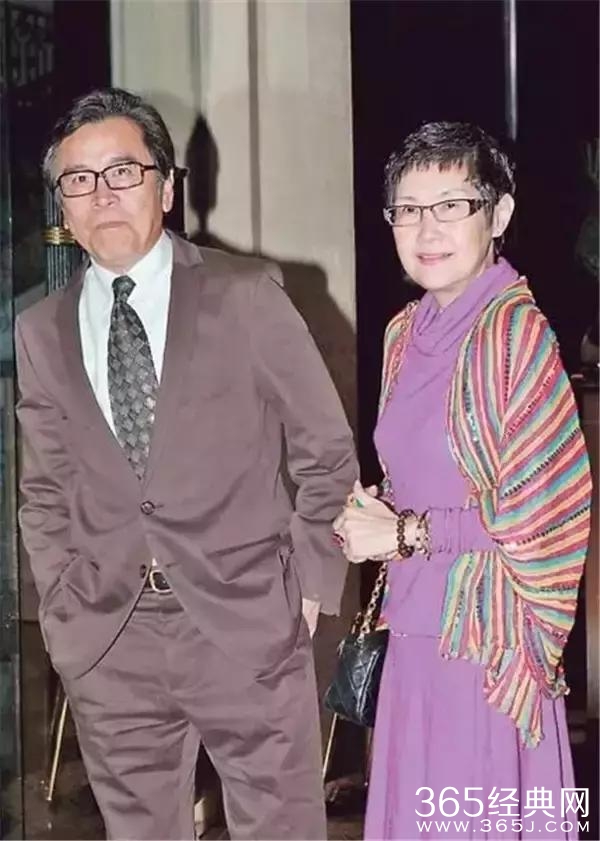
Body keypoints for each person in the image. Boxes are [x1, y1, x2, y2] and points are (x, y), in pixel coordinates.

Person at [15, 87, 358, 840]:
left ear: (167, 188)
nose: (101, 194)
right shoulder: (41, 329)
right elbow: (44, 489)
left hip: (247, 622)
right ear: (62, 205)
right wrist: (63, 613)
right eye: (78, 179)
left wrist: (309, 584)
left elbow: (325, 449)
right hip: (110, 637)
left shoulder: (245, 296)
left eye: (122, 172)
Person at [333, 121, 592, 840]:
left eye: (452, 205)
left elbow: (544, 515)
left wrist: (407, 533)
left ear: (497, 214)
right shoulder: (403, 333)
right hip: (413, 632)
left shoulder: (516, 335)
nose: (427, 229)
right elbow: (422, 476)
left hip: (484, 646)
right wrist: (373, 516)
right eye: (409, 209)